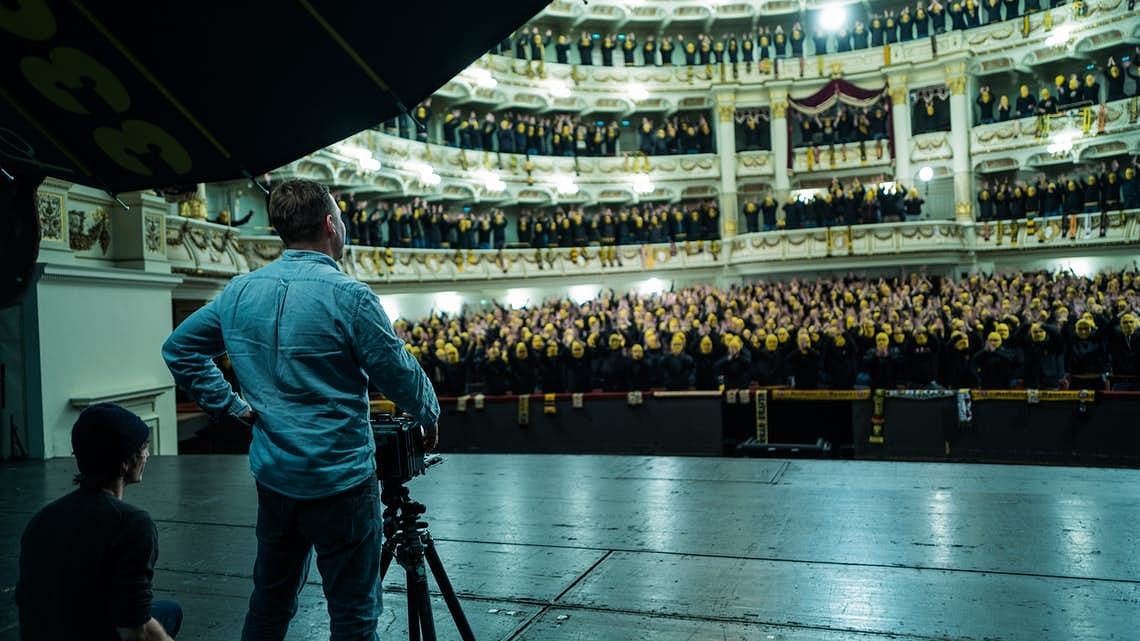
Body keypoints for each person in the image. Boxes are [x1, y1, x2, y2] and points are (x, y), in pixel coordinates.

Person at [162, 179, 440, 641]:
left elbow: (179, 349)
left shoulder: (238, 293)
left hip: (275, 478)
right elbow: (400, 376)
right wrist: (427, 413)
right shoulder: (350, 296)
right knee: (353, 614)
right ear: (331, 225)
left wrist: (230, 406)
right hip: (342, 482)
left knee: (269, 604)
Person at [16, 403, 183, 641]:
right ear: (125, 461)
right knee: (161, 619)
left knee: (169, 611)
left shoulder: (41, 519)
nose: (147, 454)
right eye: (143, 447)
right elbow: (134, 632)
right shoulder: (132, 524)